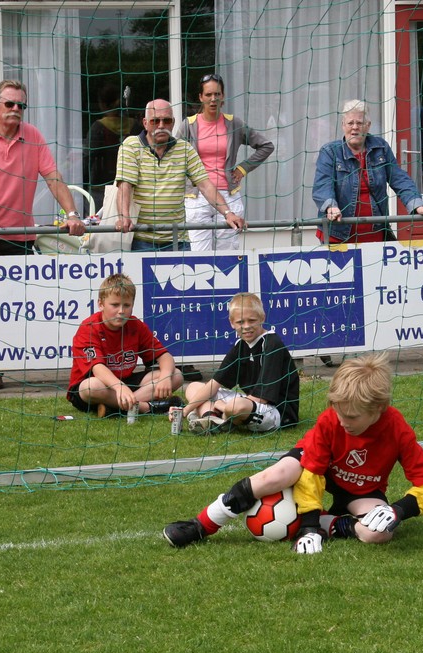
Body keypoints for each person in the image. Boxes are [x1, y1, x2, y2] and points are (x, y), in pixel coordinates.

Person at [163, 352, 423, 555]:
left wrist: (397, 510)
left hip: (359, 487)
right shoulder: (330, 420)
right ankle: (202, 524)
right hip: (315, 467)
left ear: (378, 409)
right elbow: (312, 472)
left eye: (352, 417)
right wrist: (308, 528)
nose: (343, 422)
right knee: (277, 475)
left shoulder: (396, 428)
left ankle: (334, 524)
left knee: (377, 534)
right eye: (339, 413)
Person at [0, 79, 86, 390]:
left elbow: (53, 178)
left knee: (9, 305)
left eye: (21, 105)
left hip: (18, 235)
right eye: (9, 104)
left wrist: (72, 215)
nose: (15, 110)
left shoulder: (33, 136)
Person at [114, 99, 245, 251]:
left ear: (173, 123)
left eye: (167, 120)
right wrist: (124, 216)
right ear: (145, 123)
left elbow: (205, 185)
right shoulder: (131, 146)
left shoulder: (184, 148)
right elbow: (125, 186)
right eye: (155, 121)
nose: (161, 125)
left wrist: (228, 213)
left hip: (178, 239)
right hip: (142, 238)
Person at [312, 99, 423, 244]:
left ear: (368, 126)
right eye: (350, 123)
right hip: (338, 233)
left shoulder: (381, 148)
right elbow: (323, 185)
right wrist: (331, 206)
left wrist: (417, 205)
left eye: (359, 123)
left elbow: (399, 178)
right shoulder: (330, 152)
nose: (355, 127)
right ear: (343, 125)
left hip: (375, 232)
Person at [174, 74, 274, 250]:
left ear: (223, 96)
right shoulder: (188, 125)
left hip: (228, 195)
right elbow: (174, 156)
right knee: (199, 255)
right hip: (197, 197)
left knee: (227, 256)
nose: (213, 99)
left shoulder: (234, 123)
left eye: (217, 94)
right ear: (200, 97)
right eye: (208, 94)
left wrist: (243, 168)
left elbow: (266, 146)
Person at [67, 273, 185, 417]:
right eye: (115, 305)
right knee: (91, 386)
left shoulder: (135, 325)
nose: (121, 311)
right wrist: (119, 387)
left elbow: (164, 356)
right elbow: (98, 369)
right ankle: (145, 407)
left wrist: (165, 377)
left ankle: (117, 408)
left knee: (176, 375)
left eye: (127, 305)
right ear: (100, 304)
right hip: (96, 386)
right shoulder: (89, 327)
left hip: (124, 382)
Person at [181, 292, 299, 435]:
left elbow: (262, 398)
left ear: (262, 318)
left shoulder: (272, 344)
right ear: (232, 322)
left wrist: (223, 406)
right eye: (240, 322)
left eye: (252, 320)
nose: (246, 326)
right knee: (193, 387)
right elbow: (214, 384)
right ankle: (211, 418)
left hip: (277, 412)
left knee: (236, 405)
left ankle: (218, 415)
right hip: (249, 403)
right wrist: (184, 411)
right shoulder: (241, 345)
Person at [85, 84, 141, 212]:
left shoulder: (97, 128)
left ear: (102, 104)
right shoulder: (135, 126)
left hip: (100, 185)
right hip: (131, 184)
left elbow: (88, 157)